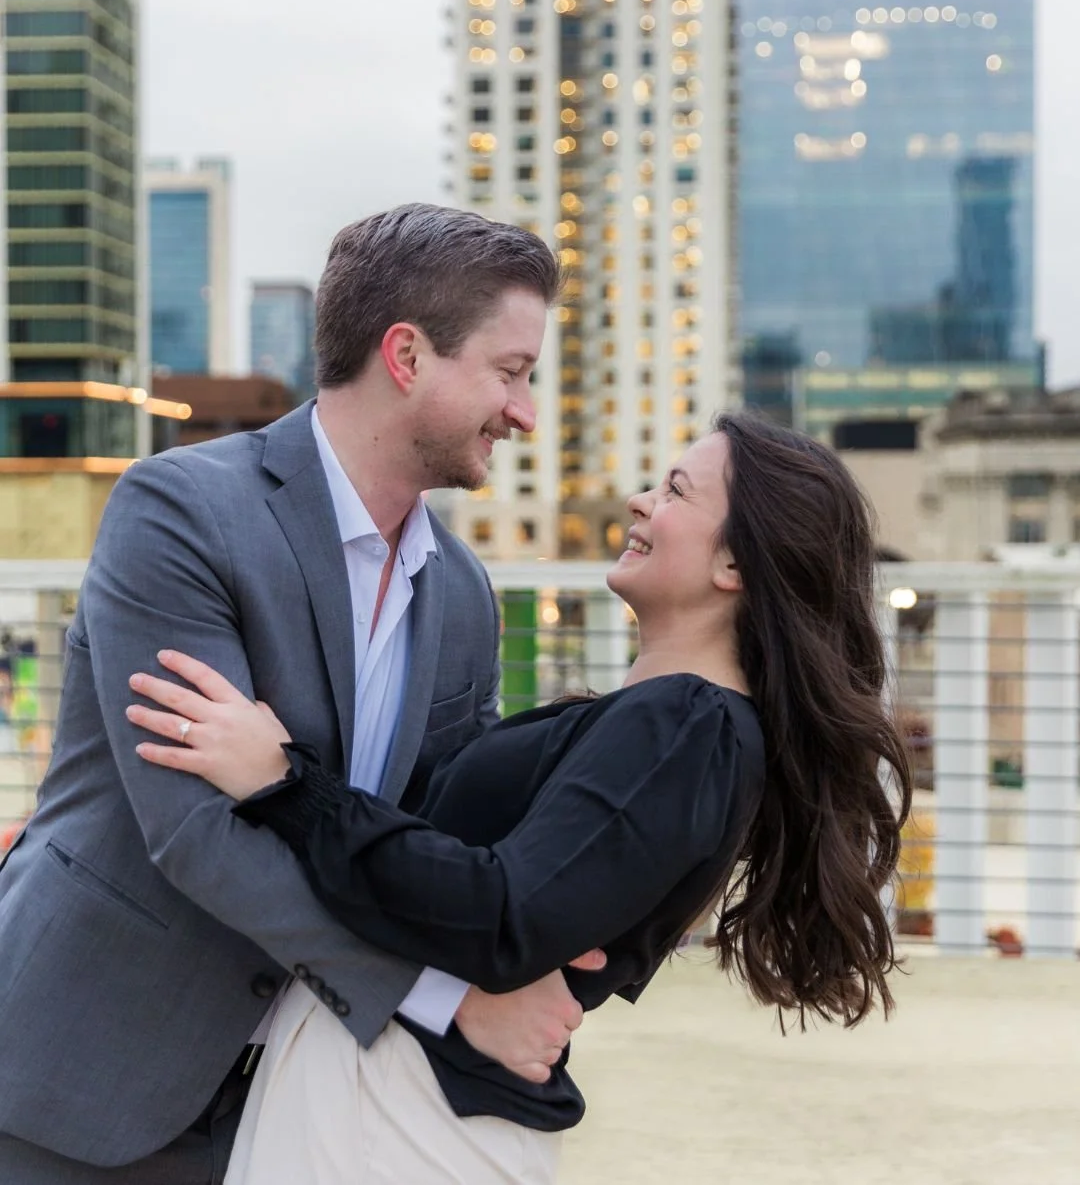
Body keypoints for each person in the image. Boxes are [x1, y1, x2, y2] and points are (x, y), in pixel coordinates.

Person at [128, 412, 914, 1185]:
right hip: (399, 1094)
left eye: (676, 491)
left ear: (736, 563)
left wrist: (287, 784)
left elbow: (504, 919)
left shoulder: (688, 726)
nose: (641, 501)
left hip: (407, 1110)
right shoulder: (674, 725)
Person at [0, 204, 606, 1183]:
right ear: (406, 355)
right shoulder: (181, 511)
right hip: (86, 1069)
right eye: (510, 372)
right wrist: (447, 998)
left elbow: (432, 835)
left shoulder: (461, 592)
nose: (525, 412)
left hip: (299, 1095)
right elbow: (195, 832)